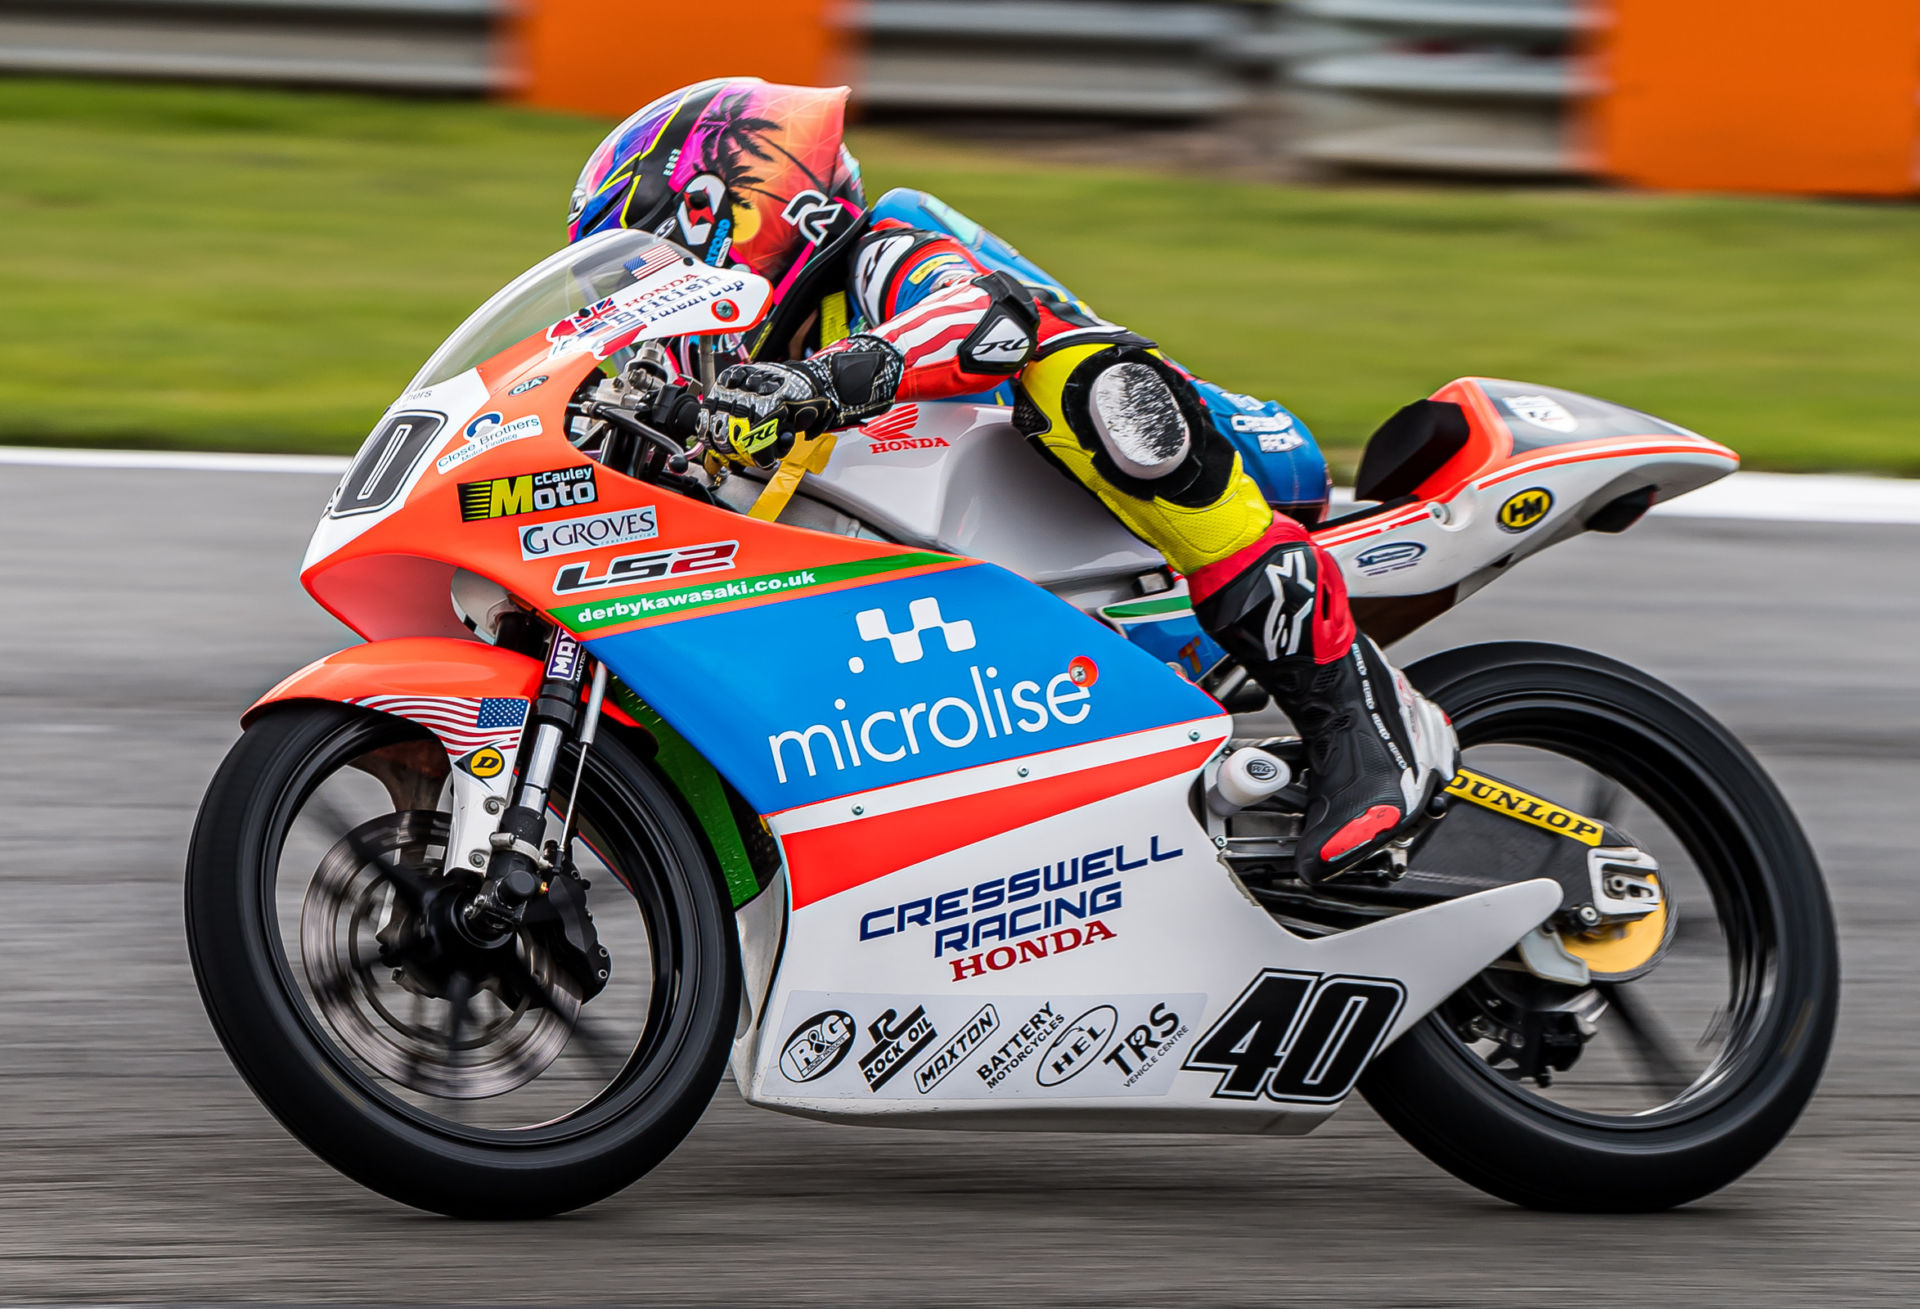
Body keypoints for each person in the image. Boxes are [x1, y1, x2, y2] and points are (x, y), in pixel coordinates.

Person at [566, 77, 1456, 883]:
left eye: (648, 254)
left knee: (1082, 378)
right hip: (1002, 567)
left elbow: (983, 319)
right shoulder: (729, 366)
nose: (643, 289)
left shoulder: (880, 251)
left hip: (1192, 455)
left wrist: (818, 382)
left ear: (742, 207)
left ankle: (1366, 719)